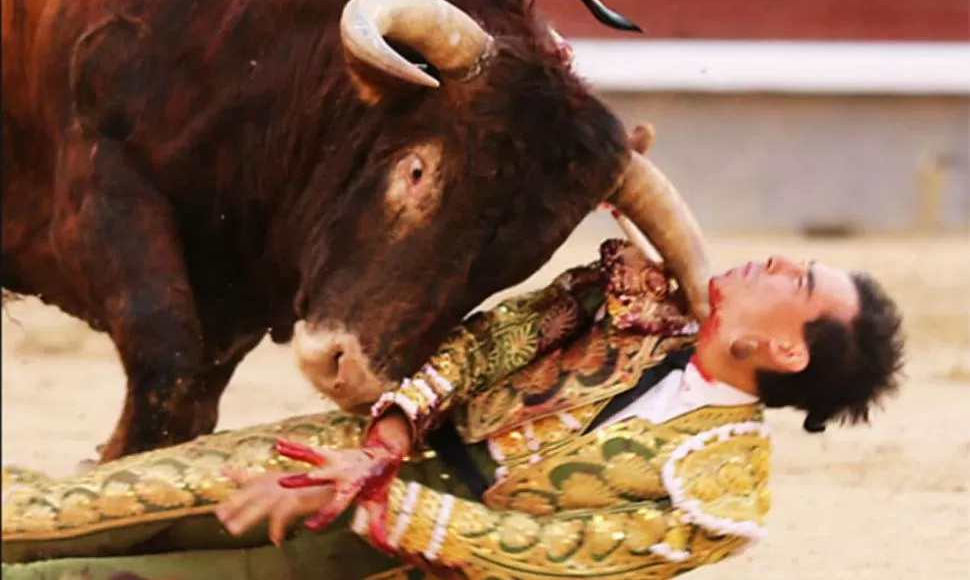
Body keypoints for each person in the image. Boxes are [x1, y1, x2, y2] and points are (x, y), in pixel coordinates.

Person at [2, 222, 905, 580]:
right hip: (347, 451)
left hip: (386, 561)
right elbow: (488, 342)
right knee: (84, 505)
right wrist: (384, 438)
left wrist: (369, 497)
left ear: (787, 348)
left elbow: (546, 556)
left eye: (802, 278)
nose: (778, 260)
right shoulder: (635, 305)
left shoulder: (719, 488)